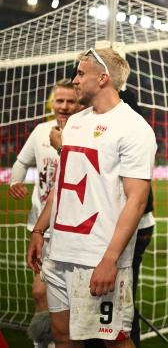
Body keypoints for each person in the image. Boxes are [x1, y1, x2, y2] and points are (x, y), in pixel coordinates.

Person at [26, 48, 157, 347]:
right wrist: (39, 230)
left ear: (103, 78)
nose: (75, 80)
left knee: (115, 340)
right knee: (62, 336)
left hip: (98, 254)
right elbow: (62, 184)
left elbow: (137, 200)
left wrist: (110, 260)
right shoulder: (74, 123)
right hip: (60, 251)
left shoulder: (134, 127)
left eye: (81, 73)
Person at [9, 79, 79, 348]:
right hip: (40, 227)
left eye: (70, 101)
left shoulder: (84, 130)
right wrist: (16, 181)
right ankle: (43, 344)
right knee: (40, 291)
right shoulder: (40, 131)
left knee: (70, 297)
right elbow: (21, 162)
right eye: (59, 101)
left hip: (71, 229)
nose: (64, 106)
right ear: (51, 103)